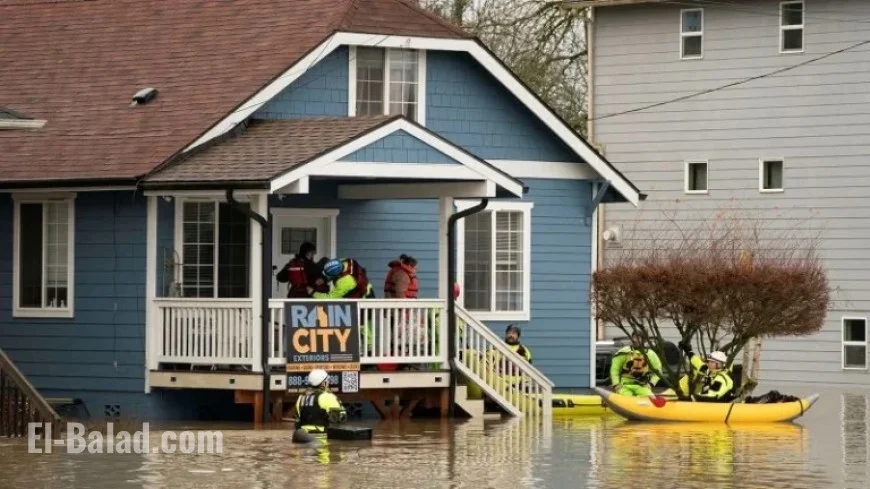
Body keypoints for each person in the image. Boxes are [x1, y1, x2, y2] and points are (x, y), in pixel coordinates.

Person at [610, 331, 663, 397]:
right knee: (627, 398)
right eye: (634, 337)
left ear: (644, 340)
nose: (635, 340)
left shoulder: (650, 354)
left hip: (642, 386)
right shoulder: (624, 352)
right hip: (624, 386)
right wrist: (616, 384)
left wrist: (650, 384)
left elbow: (658, 371)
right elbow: (615, 369)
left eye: (638, 338)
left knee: (651, 398)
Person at [294, 369, 347, 435]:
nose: (328, 383)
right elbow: (339, 420)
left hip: (303, 436)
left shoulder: (301, 397)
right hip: (322, 436)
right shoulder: (328, 397)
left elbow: (297, 421)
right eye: (327, 381)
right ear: (323, 382)